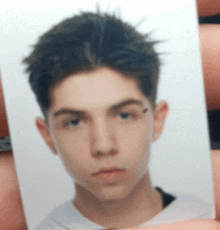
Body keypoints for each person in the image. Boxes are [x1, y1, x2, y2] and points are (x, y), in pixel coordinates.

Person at [0, 1, 220, 229]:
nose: (103, 146)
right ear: (46, 134)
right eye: (74, 122)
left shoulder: (199, 212)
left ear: (157, 119)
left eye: (124, 115)